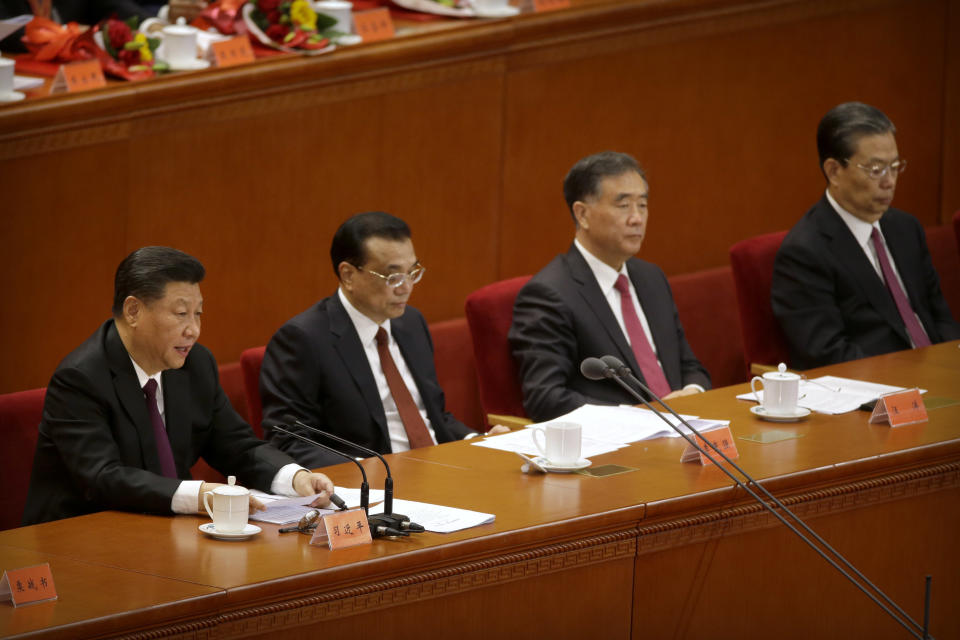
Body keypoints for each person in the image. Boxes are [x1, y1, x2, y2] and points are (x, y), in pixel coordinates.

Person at [22, 247, 333, 526]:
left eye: (198, 314)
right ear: (133, 311)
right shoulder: (80, 379)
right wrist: (198, 495)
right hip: (83, 540)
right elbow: (104, 478)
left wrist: (294, 477)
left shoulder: (194, 365)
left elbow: (237, 446)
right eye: (181, 314)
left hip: (164, 530)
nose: (194, 330)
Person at [260, 211, 505, 469]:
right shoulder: (303, 339)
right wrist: (365, 472)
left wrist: (478, 441)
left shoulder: (411, 322)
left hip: (440, 470)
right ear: (348, 275)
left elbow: (433, 417)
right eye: (393, 277)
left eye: (412, 273)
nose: (406, 287)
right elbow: (289, 440)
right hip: (374, 486)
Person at [509, 151, 711, 422]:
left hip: (687, 429)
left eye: (642, 205)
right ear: (582, 214)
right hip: (620, 447)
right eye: (623, 205)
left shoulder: (651, 278)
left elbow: (688, 365)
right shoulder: (550, 294)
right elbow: (546, 398)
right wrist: (642, 416)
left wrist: (693, 392)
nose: (637, 218)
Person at [772, 102, 960, 369]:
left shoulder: (906, 229)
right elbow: (829, 356)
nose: (889, 181)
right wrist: (912, 382)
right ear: (834, 171)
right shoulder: (805, 252)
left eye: (895, 166)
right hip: (879, 394)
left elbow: (940, 317)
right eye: (876, 170)